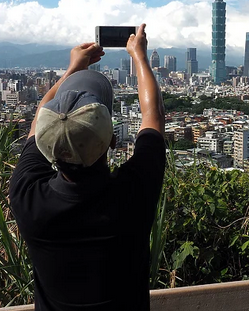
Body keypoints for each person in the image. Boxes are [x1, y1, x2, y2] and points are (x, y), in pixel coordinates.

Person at [9, 23, 166, 311]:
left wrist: (72, 69)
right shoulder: (134, 194)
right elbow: (153, 114)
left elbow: (38, 121)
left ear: (47, 145)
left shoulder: (28, 197)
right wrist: (139, 56)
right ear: (113, 141)